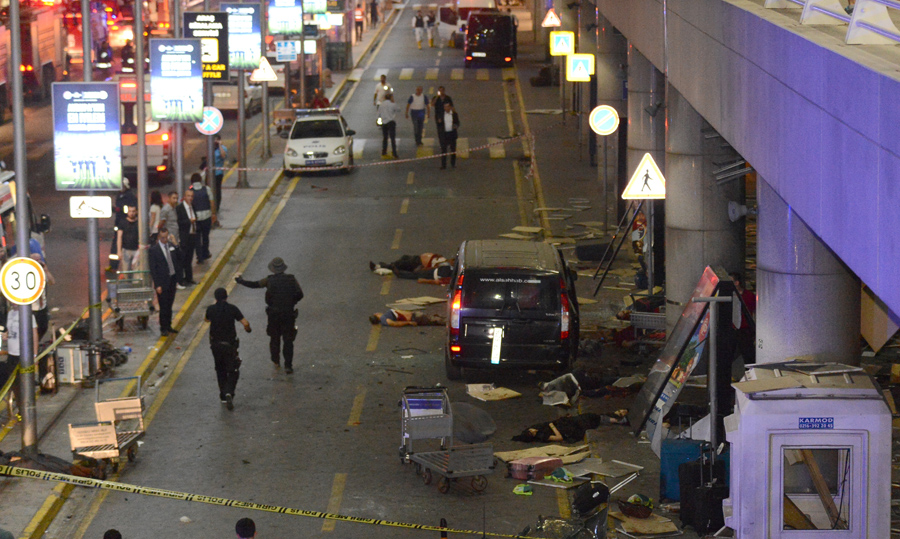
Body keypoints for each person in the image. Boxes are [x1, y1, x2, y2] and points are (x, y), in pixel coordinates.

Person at [235, 257, 304, 374]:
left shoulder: (269, 280)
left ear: (272, 269)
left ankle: (276, 360)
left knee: (274, 338)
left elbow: (255, 284)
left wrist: (240, 281)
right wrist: (290, 302)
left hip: (274, 315)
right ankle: (288, 365)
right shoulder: (291, 279)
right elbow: (300, 294)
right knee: (288, 340)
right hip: (288, 314)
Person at [205, 288, 251, 410]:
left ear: (215, 298)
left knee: (220, 370)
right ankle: (229, 391)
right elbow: (245, 323)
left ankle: (223, 396)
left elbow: (206, 319)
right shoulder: (232, 309)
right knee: (233, 369)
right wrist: (248, 329)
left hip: (215, 345)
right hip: (229, 345)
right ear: (226, 297)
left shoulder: (210, 309)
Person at [149, 227, 181, 337]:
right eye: (162, 238)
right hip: (162, 282)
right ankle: (163, 327)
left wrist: (176, 244)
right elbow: (153, 269)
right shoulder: (154, 250)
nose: (164, 240)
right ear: (159, 237)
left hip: (172, 280)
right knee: (163, 306)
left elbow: (180, 258)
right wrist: (157, 285)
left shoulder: (171, 246)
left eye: (166, 237)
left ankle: (169, 325)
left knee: (170, 304)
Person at [190, 173, 216, 263]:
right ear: (200, 180)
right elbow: (212, 202)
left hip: (195, 219)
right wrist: (213, 213)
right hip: (206, 216)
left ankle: (199, 256)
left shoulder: (190, 191)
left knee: (197, 238)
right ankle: (205, 253)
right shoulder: (207, 189)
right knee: (205, 236)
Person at [176, 189, 198, 286]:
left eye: (192, 196)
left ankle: (189, 278)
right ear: (184, 197)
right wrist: (190, 221)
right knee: (182, 258)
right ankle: (181, 280)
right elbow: (179, 222)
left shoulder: (193, 206)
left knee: (189, 258)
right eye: (188, 196)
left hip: (192, 235)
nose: (190, 198)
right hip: (184, 236)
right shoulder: (180, 208)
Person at [30, 253, 54, 341]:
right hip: (32, 307)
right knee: (33, 328)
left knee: (43, 326)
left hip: (42, 305)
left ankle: (36, 341)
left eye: (39, 259)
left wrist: (46, 271)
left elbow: (52, 282)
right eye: (36, 260)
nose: (38, 261)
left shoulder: (42, 272)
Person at [435, 101, 460, 169]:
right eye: (445, 107)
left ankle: (453, 163)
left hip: (452, 134)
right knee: (444, 150)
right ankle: (443, 165)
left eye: (447, 106)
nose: (446, 108)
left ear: (450, 107)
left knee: (453, 150)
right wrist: (439, 122)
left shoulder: (454, 114)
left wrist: (455, 126)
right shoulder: (441, 114)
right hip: (444, 134)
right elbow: (438, 124)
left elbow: (457, 123)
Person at [370, 252, 448, 273]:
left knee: (401, 264)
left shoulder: (444, 266)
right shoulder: (444, 259)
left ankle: (379, 266)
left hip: (418, 263)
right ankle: (389, 265)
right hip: (418, 258)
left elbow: (432, 268)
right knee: (404, 257)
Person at [378, 92, 398, 159]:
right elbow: (398, 109)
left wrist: (379, 121)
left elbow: (379, 114)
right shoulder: (392, 104)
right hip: (391, 122)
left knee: (385, 138)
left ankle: (384, 151)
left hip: (384, 123)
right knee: (392, 138)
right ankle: (394, 153)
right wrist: (393, 101)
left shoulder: (381, 105)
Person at [369, 310, 444, 327]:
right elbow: (393, 323)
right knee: (437, 320)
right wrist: (409, 322)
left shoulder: (384, 319)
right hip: (414, 317)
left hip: (415, 316)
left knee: (435, 318)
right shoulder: (384, 318)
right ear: (376, 315)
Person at [213, 135, 228, 213]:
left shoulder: (222, 148)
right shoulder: (210, 148)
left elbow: (223, 156)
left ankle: (217, 206)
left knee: (217, 190)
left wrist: (219, 145)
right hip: (210, 173)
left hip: (218, 173)